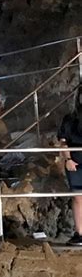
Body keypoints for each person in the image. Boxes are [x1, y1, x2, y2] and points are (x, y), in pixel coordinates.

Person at [58, 93, 82, 246]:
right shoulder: (69, 119)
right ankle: (80, 232)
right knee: (78, 197)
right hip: (75, 162)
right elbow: (63, 141)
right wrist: (67, 159)